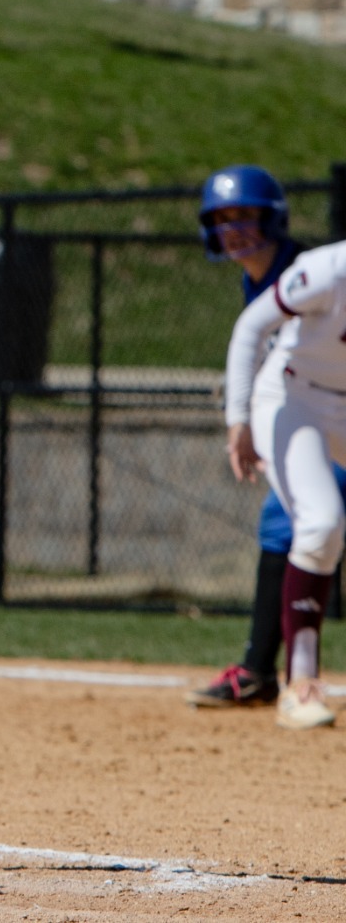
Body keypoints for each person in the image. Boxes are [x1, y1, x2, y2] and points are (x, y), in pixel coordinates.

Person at [190, 167, 346, 714]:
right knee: (298, 523)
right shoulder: (314, 272)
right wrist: (242, 416)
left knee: (304, 526)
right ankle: (268, 671)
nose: (233, 230)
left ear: (271, 217)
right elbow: (253, 336)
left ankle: (263, 669)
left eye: (244, 216)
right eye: (222, 219)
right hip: (300, 404)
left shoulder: (292, 268)